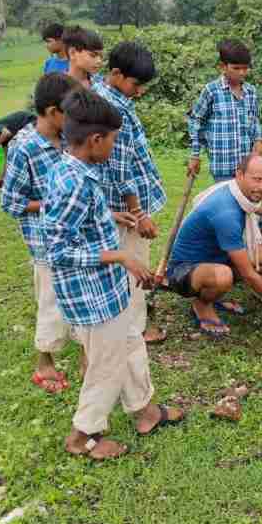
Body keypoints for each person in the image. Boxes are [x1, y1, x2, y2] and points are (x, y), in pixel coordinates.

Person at [43, 88, 183, 461]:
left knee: (130, 342)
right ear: (95, 140)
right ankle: (83, 436)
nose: (114, 148)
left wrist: (110, 217)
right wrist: (120, 254)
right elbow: (56, 250)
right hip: (92, 295)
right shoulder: (74, 183)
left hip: (106, 290)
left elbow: (80, 223)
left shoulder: (77, 171)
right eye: (113, 141)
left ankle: (145, 411)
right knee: (106, 366)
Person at [167, 155, 262, 339]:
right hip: (184, 270)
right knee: (225, 276)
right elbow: (248, 274)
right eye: (256, 179)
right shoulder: (226, 213)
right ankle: (202, 304)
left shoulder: (242, 195)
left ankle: (217, 293)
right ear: (239, 174)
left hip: (217, 257)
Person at [0, 73, 80, 392]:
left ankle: (87, 353)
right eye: (69, 112)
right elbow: (11, 202)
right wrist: (51, 202)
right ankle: (44, 362)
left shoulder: (67, 140)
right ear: (50, 111)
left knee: (76, 295)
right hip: (46, 243)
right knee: (51, 303)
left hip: (74, 236)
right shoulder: (25, 147)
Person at [93, 42, 168, 344]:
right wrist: (139, 215)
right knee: (134, 265)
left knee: (121, 265)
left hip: (114, 205)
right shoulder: (114, 111)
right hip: (127, 209)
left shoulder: (101, 94)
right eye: (135, 84)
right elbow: (123, 171)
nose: (139, 91)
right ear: (115, 73)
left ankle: (123, 326)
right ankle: (135, 331)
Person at [187, 38, 262, 183]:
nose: (242, 73)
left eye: (245, 68)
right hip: (223, 168)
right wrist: (195, 155)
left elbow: (255, 120)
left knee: (248, 204)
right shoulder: (212, 91)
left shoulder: (251, 92)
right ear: (222, 67)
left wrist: (258, 141)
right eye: (236, 68)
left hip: (247, 167)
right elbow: (195, 120)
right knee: (226, 204)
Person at [0, 110, 35, 189]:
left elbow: (7, 133)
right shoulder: (2, 139)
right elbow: (7, 159)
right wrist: (2, 178)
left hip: (30, 122)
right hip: (27, 129)